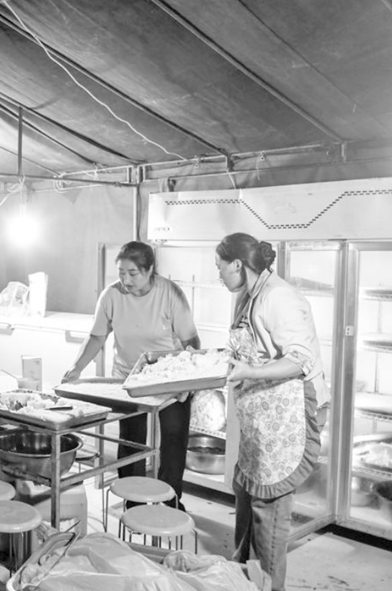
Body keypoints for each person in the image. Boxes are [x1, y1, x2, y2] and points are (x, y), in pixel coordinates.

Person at [215, 232, 327, 591]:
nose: (218, 274)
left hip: (286, 415)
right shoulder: (248, 295)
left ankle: (268, 585)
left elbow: (299, 359)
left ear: (237, 264)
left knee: (269, 509)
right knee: (246, 496)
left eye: (219, 267)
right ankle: (243, 580)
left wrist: (249, 372)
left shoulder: (278, 297)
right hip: (261, 417)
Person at [62, 240, 200, 510]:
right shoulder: (111, 295)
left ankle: (171, 501)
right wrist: (76, 368)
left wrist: (190, 380)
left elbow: (190, 341)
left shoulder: (170, 294)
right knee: (131, 441)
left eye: (132, 273)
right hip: (128, 378)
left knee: (173, 439)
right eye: (121, 273)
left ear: (150, 270)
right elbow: (97, 337)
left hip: (168, 378)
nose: (125, 280)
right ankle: (133, 501)